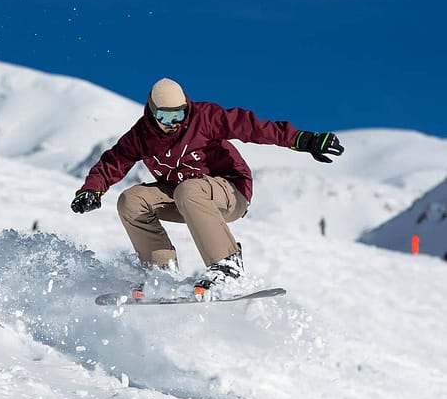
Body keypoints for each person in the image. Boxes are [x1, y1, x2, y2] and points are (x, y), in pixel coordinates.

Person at [71, 78, 344, 296]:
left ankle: (227, 266)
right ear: (152, 114)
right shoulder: (141, 135)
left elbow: (254, 128)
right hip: (184, 198)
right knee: (131, 200)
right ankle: (160, 272)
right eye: (165, 118)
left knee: (189, 189)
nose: (173, 124)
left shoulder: (205, 118)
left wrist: (303, 140)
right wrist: (91, 189)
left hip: (229, 192)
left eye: (178, 115)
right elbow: (114, 161)